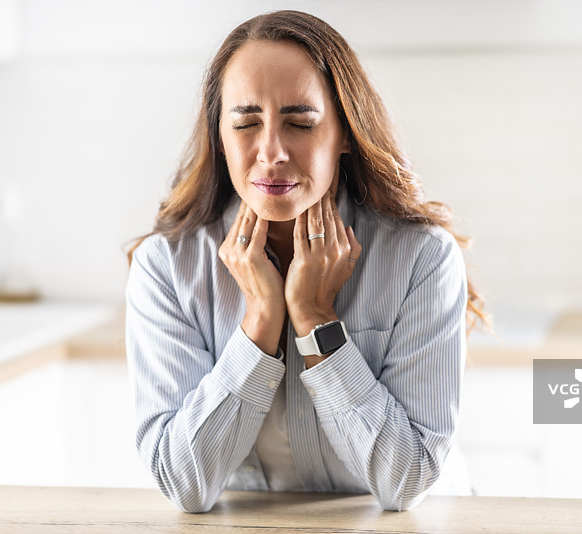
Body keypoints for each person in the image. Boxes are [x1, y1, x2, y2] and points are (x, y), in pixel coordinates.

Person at [125, 10, 487, 514]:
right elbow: (183, 483)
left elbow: (406, 480)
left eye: (300, 123)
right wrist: (260, 322)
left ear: (345, 133)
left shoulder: (422, 258)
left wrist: (316, 319)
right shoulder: (165, 267)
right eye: (246, 123)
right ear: (220, 136)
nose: (271, 152)